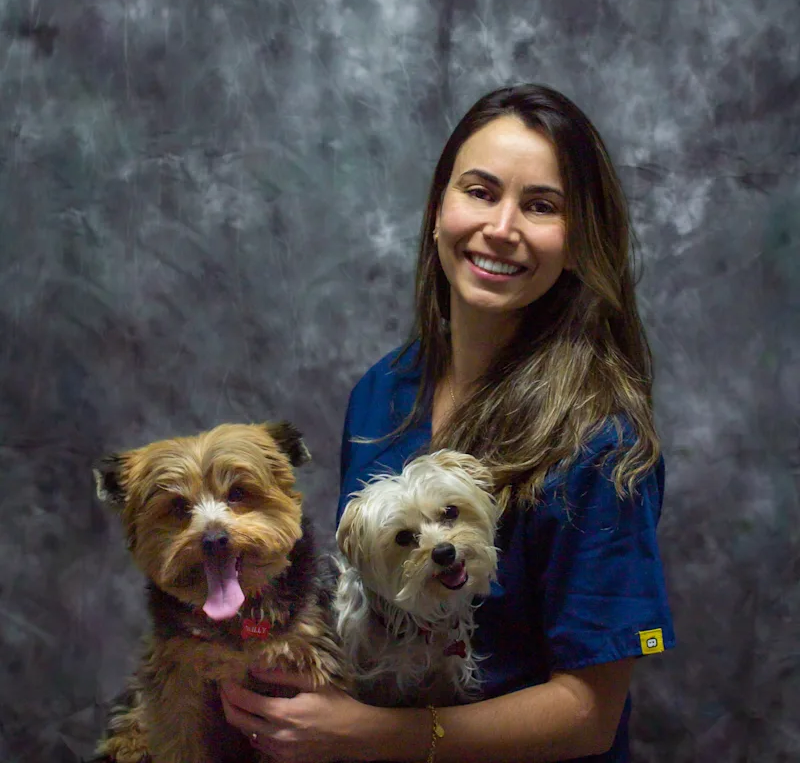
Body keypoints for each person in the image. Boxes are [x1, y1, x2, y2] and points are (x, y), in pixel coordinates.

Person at [221, 83, 675, 762]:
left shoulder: (601, 445)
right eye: (481, 192)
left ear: (578, 243)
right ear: (439, 210)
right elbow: (364, 591)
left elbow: (588, 713)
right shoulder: (384, 392)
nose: (501, 227)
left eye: (541, 205)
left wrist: (366, 736)